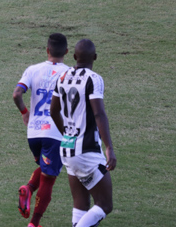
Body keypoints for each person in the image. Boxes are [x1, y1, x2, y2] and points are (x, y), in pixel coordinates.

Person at [51, 39, 117, 227]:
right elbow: (98, 113)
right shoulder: (93, 79)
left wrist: (67, 133)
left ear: (73, 56)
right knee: (105, 204)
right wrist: (109, 147)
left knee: (81, 206)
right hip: (86, 152)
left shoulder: (62, 77)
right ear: (95, 57)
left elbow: (53, 111)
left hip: (67, 148)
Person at [13, 33, 71, 227]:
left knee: (46, 168)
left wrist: (24, 112)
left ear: (47, 50)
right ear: (66, 51)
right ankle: (34, 223)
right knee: (49, 178)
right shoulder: (70, 73)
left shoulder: (32, 69)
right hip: (55, 133)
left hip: (34, 133)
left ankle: (29, 188)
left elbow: (16, 94)